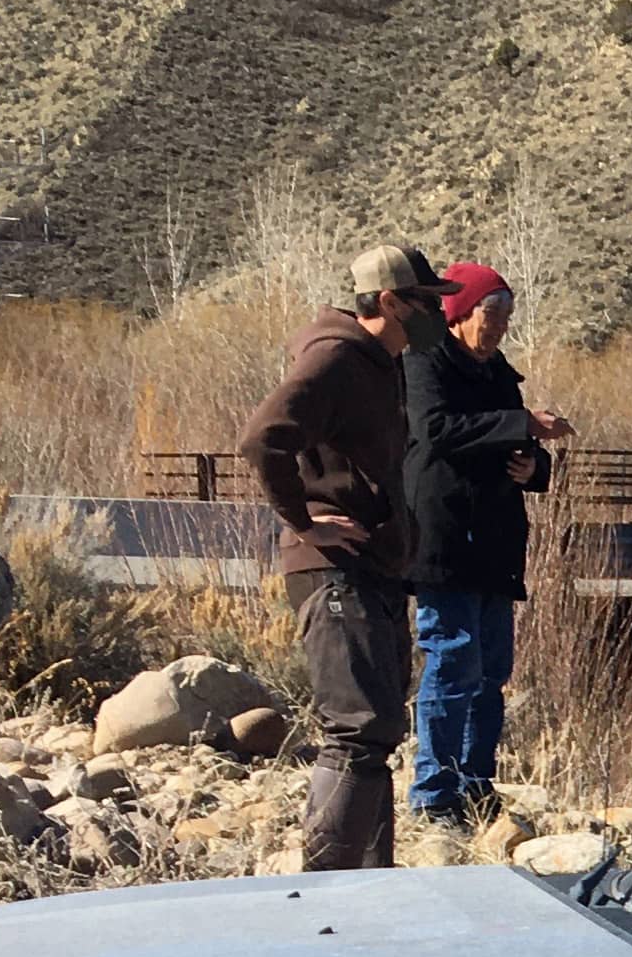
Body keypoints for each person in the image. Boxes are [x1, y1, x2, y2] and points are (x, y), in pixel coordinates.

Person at [243, 244, 444, 870]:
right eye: (425, 303)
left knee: (376, 730)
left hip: (373, 569)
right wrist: (303, 522)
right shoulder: (335, 358)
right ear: (388, 301)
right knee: (357, 730)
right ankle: (327, 889)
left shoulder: (378, 365)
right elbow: (262, 440)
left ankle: (371, 883)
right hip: (335, 572)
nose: (435, 314)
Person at [399, 259, 575, 829]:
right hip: (445, 537)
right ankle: (434, 792)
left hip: (496, 540)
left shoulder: (499, 372)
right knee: (452, 660)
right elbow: (438, 430)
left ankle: (476, 784)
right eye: (489, 313)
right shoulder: (424, 363)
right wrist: (521, 423)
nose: (498, 326)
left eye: (505, 315)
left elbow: (512, 445)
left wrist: (534, 465)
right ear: (459, 313)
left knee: (491, 671)